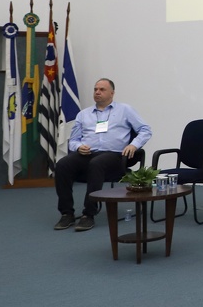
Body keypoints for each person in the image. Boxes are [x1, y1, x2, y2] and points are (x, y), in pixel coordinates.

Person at [53, 78, 152, 232]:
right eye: (95, 89)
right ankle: (67, 213)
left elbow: (145, 130)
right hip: (88, 154)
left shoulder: (125, 110)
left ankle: (88, 214)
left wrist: (134, 144)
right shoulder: (84, 114)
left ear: (112, 93)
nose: (97, 92)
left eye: (102, 89)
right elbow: (73, 140)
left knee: (97, 163)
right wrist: (79, 147)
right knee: (62, 165)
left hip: (114, 156)